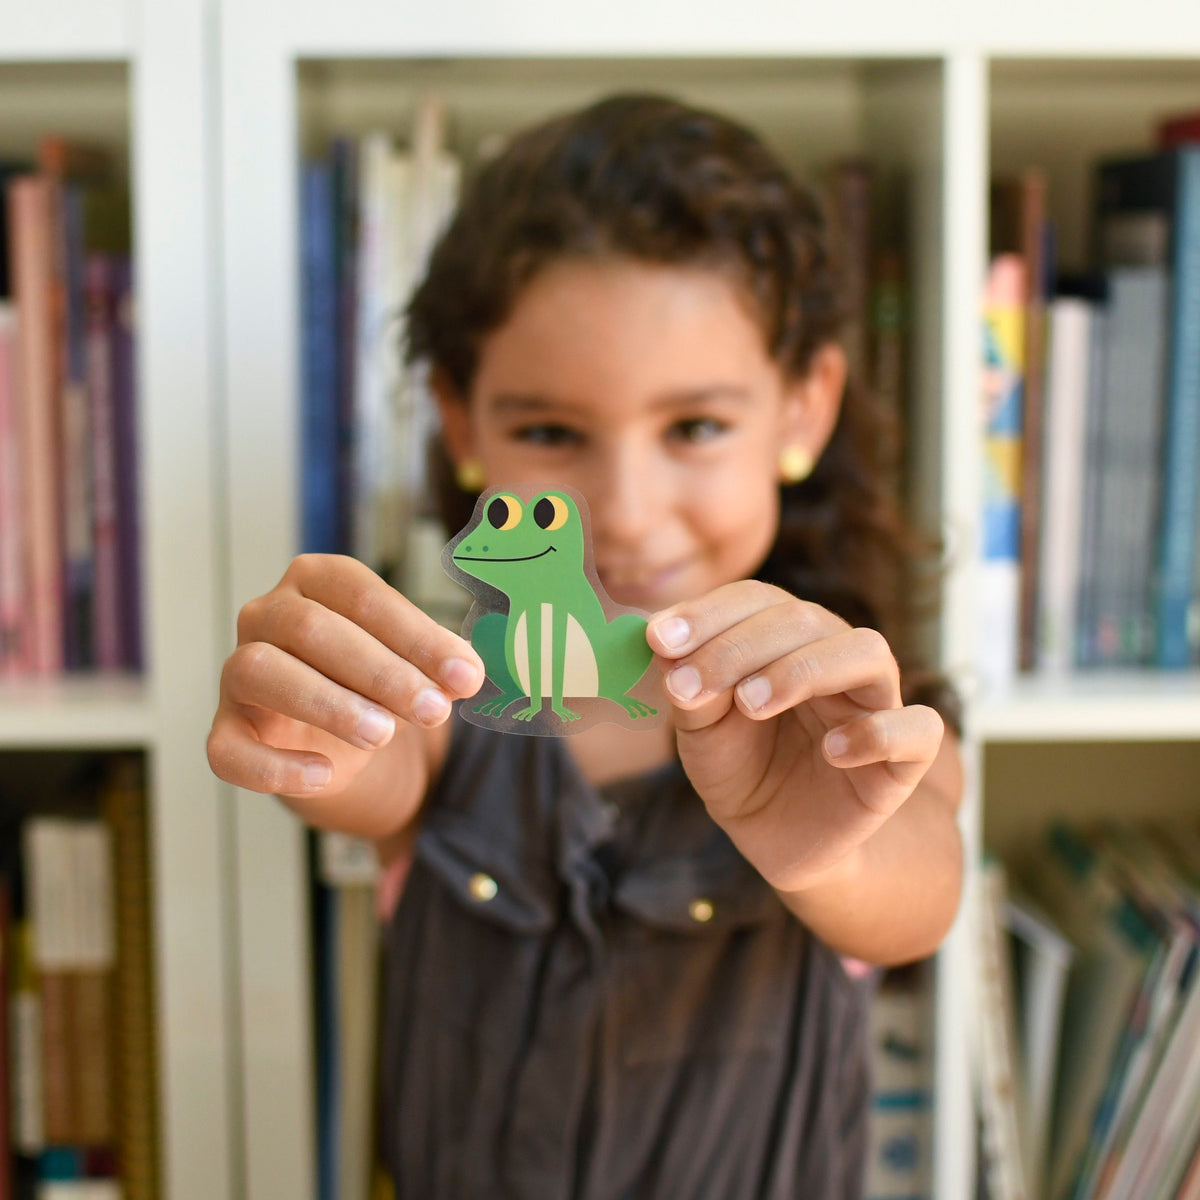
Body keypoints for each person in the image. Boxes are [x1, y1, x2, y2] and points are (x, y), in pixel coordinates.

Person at [207, 93, 964, 1198]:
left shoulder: (854, 715)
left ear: (804, 410)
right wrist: (314, 732)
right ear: (461, 424)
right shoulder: (443, 694)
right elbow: (374, 776)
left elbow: (919, 889)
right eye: (552, 432)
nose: (625, 508)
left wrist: (831, 846)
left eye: (695, 427)